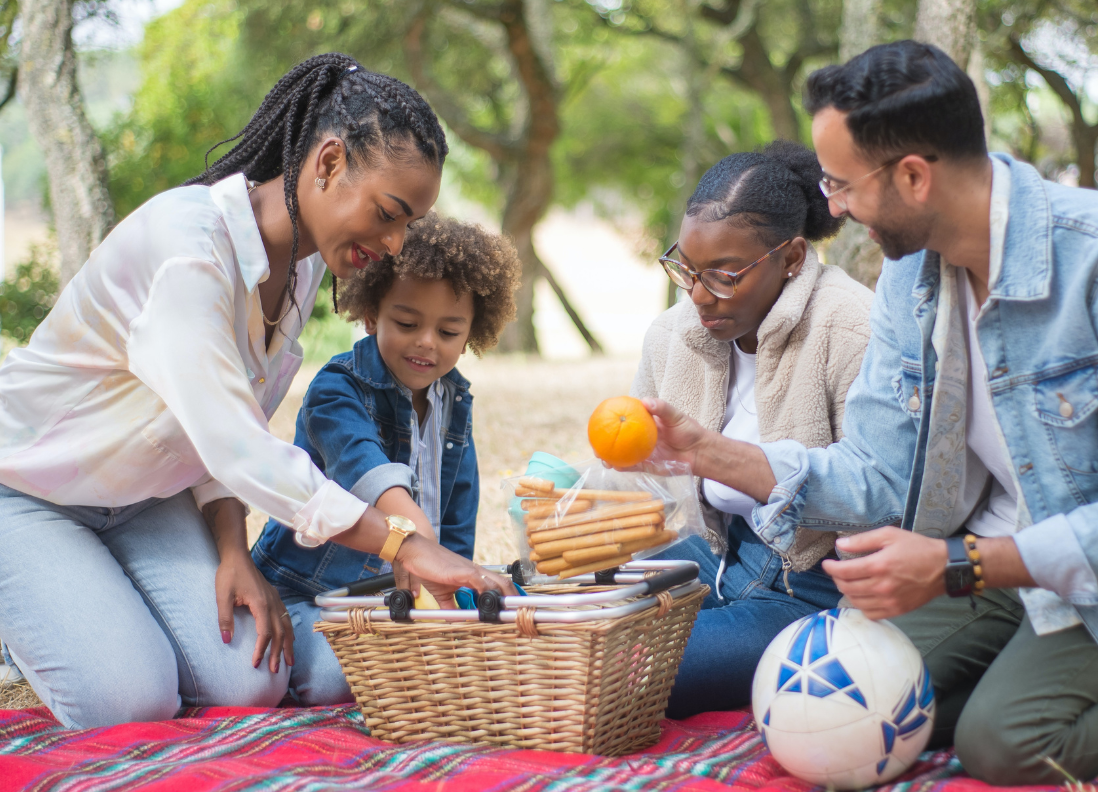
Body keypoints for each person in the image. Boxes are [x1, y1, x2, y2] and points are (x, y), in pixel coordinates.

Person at [0, 53, 514, 730]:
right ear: (327, 163)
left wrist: (233, 551)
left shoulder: (298, 273)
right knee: (130, 701)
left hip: (143, 503)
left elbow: (211, 430)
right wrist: (403, 544)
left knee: (253, 681)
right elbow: (238, 445)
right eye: (388, 214)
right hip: (29, 489)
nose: (394, 246)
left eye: (407, 227)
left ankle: (91, 606)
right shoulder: (190, 249)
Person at [642, 40, 1098, 785]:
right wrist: (706, 451)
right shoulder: (911, 277)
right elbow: (879, 475)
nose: (834, 207)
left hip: (1074, 582)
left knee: (1002, 743)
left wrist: (963, 562)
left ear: (914, 175)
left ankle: (1008, 700)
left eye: (840, 184)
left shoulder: (1088, 255)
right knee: (807, 704)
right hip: (990, 579)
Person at [633, 140, 873, 718]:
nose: (697, 295)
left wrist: (712, 455)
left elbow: (883, 496)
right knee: (559, 605)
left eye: (722, 275)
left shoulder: (851, 329)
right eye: (686, 270)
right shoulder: (674, 336)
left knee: (634, 667)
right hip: (718, 554)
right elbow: (651, 484)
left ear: (791, 258)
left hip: (816, 588)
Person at [251, 213, 521, 705]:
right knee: (346, 677)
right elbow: (368, 475)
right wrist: (421, 543)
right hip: (306, 592)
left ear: (470, 334)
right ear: (372, 312)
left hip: (390, 598)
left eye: (448, 331)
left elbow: (457, 515)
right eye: (407, 323)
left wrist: (458, 590)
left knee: (464, 654)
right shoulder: (336, 390)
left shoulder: (454, 402)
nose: (426, 342)